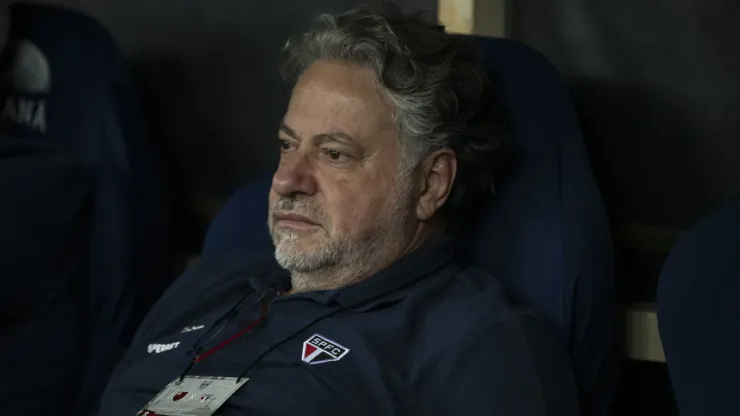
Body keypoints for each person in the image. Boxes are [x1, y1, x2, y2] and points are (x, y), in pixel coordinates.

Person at [97, 4, 579, 415]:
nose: (287, 180)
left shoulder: (475, 346)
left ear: (431, 183)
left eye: (334, 154)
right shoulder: (209, 286)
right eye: (287, 146)